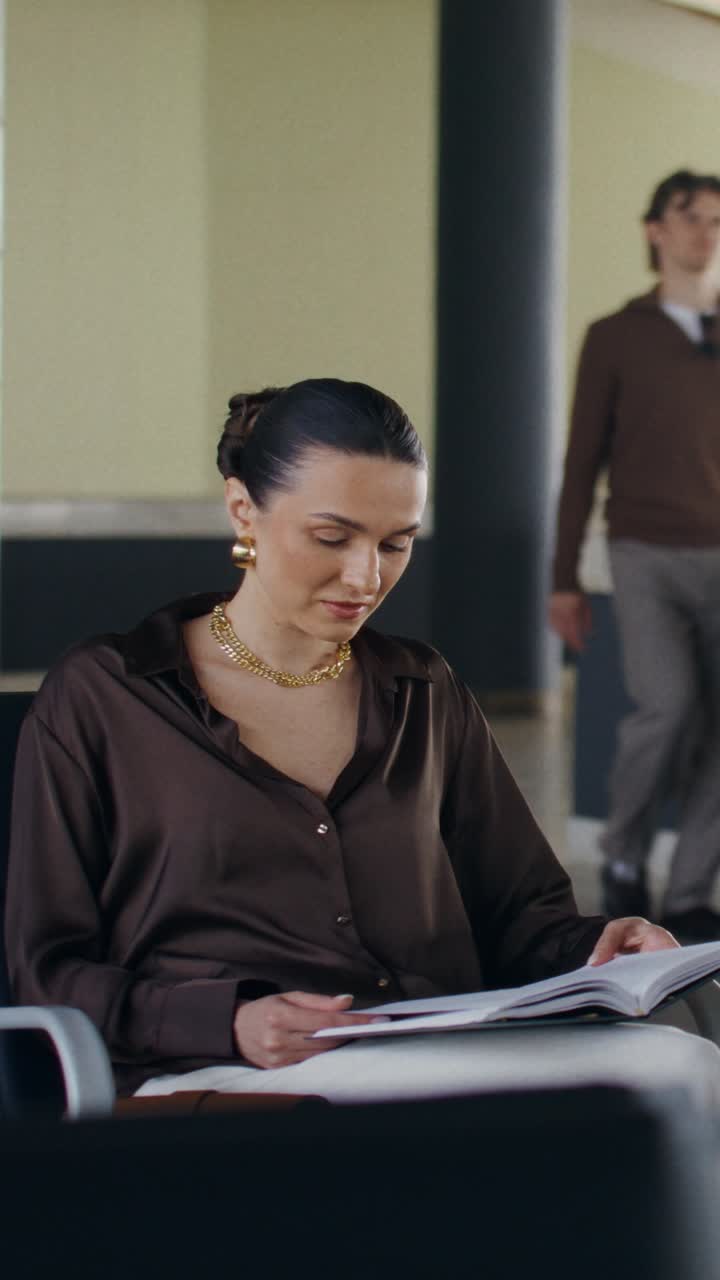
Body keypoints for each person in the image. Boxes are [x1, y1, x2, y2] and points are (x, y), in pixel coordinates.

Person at [7, 378, 675, 1098]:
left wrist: (599, 947)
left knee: (680, 1067)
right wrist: (226, 1021)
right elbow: (47, 967)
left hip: (439, 1057)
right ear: (243, 511)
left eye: (396, 543)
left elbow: (518, 914)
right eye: (332, 537)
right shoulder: (108, 695)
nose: (366, 576)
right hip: (223, 1078)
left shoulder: (424, 690)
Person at [549, 169, 720, 943]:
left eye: (718, 220)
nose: (706, 232)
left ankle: (691, 887)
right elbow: (581, 461)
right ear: (655, 230)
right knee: (669, 705)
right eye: (690, 217)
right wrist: (562, 579)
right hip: (645, 549)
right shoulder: (615, 336)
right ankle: (623, 855)